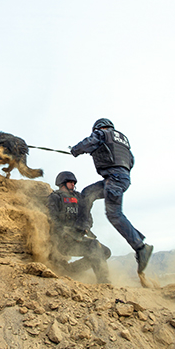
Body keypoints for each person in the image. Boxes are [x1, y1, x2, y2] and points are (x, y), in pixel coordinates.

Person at [70, 118, 153, 277]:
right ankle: (81, 228)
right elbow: (131, 161)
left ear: (98, 128)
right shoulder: (122, 141)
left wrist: (75, 150)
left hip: (113, 179)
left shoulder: (102, 133)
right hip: (118, 179)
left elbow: (88, 143)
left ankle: (141, 248)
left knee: (114, 214)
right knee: (87, 193)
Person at [47, 171, 111, 283]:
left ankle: (72, 269)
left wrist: (86, 227)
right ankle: (104, 281)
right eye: (70, 182)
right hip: (63, 241)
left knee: (105, 252)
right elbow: (52, 219)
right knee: (94, 246)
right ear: (62, 183)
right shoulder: (55, 197)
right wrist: (64, 233)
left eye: (73, 182)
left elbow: (87, 217)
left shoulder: (79, 198)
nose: (73, 184)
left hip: (78, 237)